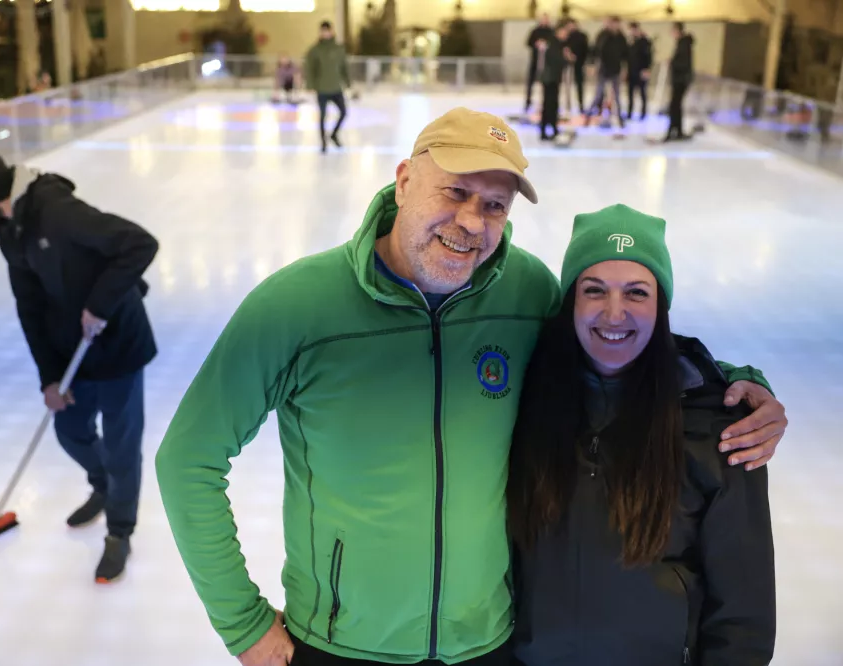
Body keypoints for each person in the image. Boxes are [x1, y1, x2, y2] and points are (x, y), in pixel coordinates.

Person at [154, 108, 787, 666]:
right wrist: (242, 622)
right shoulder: (296, 306)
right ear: (404, 181)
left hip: (488, 644)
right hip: (342, 646)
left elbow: (618, 342)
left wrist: (736, 385)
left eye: (494, 205)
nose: (471, 222)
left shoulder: (527, 291)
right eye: (453, 192)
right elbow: (189, 458)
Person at [507, 204, 776, 665]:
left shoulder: (717, 428)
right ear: (571, 300)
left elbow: (743, 613)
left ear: (661, 305)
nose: (614, 314)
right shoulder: (522, 404)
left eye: (636, 292)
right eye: (594, 290)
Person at [0, 143, 158, 583]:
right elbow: (29, 308)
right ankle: (103, 485)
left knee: (122, 445)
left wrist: (100, 305)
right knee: (71, 430)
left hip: (117, 343)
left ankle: (119, 532)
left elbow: (139, 244)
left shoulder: (56, 210)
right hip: (72, 353)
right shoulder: (9, 231)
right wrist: (48, 377)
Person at [304, 20, 350, 153]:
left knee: (343, 112)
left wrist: (348, 82)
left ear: (331, 31)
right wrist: (310, 85)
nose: (325, 33)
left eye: (327, 31)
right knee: (323, 115)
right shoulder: (315, 50)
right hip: (322, 88)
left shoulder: (338, 49)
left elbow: (343, 67)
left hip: (336, 87)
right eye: (322, 31)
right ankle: (323, 142)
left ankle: (334, 134)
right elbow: (310, 69)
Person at [586, 16, 628, 127]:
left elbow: (625, 54)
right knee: (598, 94)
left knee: (617, 96)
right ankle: (588, 116)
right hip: (603, 69)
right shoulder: (603, 35)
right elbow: (596, 50)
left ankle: (619, 118)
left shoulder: (621, 38)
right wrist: (592, 65)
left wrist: (624, 69)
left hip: (616, 69)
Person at [536, 21, 573, 141]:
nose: (566, 35)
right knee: (549, 105)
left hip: (553, 78)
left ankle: (553, 128)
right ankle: (545, 130)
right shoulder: (553, 44)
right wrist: (567, 58)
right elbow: (557, 61)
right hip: (550, 79)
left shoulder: (556, 44)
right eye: (565, 32)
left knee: (552, 104)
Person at [666, 22, 695, 141]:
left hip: (681, 80)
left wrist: (672, 62)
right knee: (675, 105)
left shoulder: (684, 44)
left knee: (675, 105)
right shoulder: (681, 43)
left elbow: (684, 64)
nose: (671, 33)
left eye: (672, 31)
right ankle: (675, 130)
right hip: (679, 79)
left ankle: (675, 130)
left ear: (678, 31)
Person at [524, 14, 555, 112]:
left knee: (546, 84)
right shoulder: (535, 31)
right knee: (530, 82)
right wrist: (536, 44)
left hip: (547, 62)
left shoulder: (551, 31)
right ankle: (528, 102)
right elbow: (528, 42)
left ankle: (545, 103)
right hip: (535, 60)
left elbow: (554, 43)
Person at [626, 22, 652, 120]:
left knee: (642, 93)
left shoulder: (644, 41)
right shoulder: (630, 42)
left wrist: (647, 69)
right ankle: (629, 113)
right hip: (631, 71)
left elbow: (648, 57)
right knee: (630, 94)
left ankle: (643, 113)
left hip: (642, 71)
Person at [564, 19, 589, 114]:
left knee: (580, 85)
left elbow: (585, 49)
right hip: (567, 65)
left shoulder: (582, 36)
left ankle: (581, 105)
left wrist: (582, 60)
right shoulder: (566, 36)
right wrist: (568, 55)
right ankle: (567, 105)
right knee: (567, 86)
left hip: (579, 64)